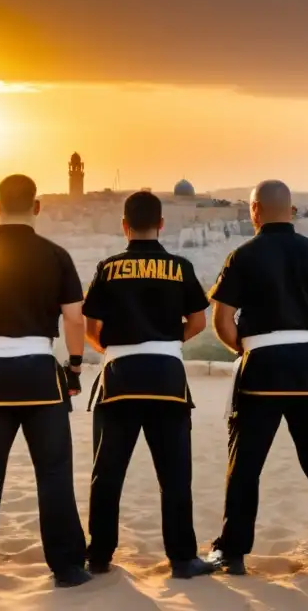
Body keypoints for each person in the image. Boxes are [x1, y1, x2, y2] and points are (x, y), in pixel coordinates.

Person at [0, 174, 91, 590]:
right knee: (54, 473)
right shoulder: (57, 255)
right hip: (41, 374)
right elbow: (74, 318)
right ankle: (66, 567)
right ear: (37, 206)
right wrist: (75, 366)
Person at [206, 180, 308, 577]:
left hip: (260, 372)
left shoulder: (243, 256)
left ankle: (232, 553)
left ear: (254, 210)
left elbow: (222, 319)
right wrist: (304, 342)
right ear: (291, 210)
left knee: (245, 466)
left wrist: (249, 348)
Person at [81, 191, 216, 579]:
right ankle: (182, 558)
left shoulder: (107, 268)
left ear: (124, 225)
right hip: (167, 378)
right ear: (161, 223)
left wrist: (112, 347)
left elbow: (92, 330)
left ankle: (99, 555)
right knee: (174, 475)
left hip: (119, 378)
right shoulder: (180, 266)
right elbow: (198, 322)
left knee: (107, 473)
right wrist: (167, 342)